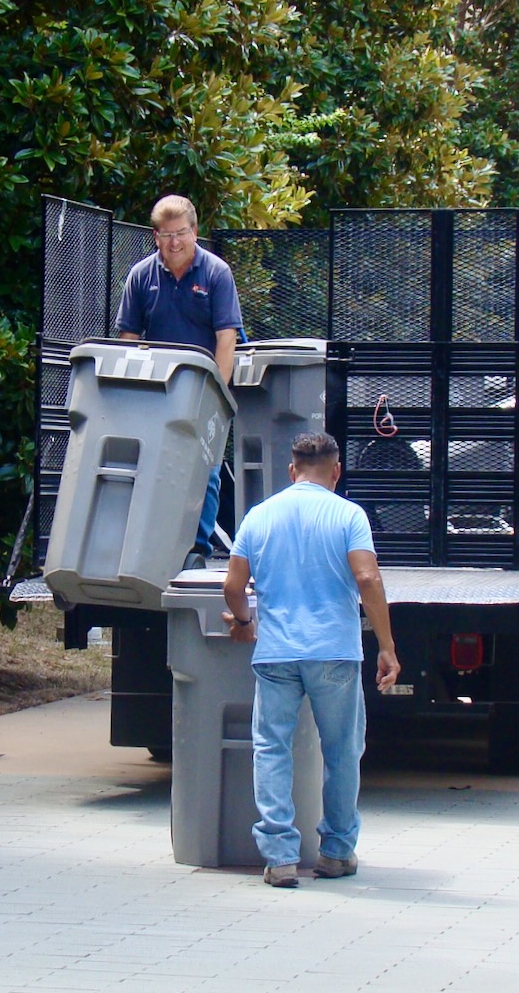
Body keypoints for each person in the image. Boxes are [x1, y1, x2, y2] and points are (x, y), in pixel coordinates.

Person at [222, 431, 401, 888]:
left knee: (271, 748)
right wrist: (386, 645)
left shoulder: (259, 517)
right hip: (334, 652)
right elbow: (367, 576)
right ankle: (336, 852)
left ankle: (280, 857)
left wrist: (244, 622)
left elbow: (232, 586)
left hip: (277, 653)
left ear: (291, 470)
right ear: (336, 471)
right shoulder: (349, 515)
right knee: (341, 750)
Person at [116, 194, 243, 560]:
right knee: (149, 467)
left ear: (195, 232)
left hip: (204, 391)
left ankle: (196, 549)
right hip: (155, 393)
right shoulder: (141, 275)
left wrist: (217, 398)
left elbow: (226, 338)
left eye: (182, 233)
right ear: (155, 236)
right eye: (166, 234)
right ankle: (145, 548)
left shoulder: (216, 273)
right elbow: (129, 338)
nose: (174, 242)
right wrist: (134, 391)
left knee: (206, 471)